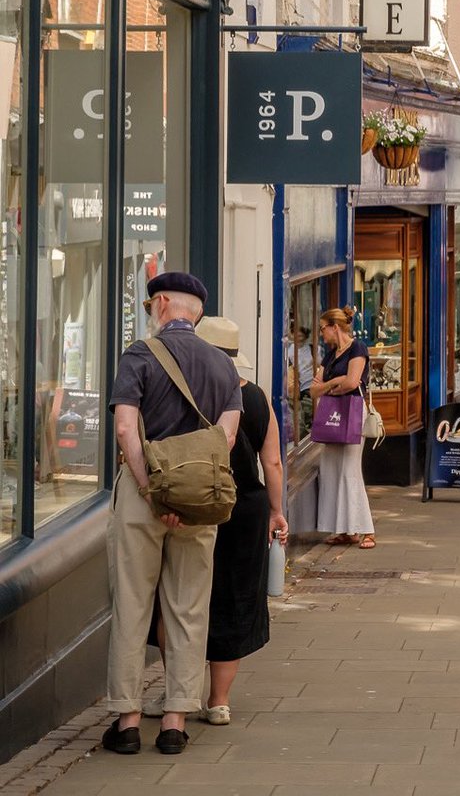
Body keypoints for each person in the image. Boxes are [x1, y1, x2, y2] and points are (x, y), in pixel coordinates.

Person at [103, 273, 242, 757]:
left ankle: (127, 720)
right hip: (199, 501)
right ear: (195, 312)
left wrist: (151, 490)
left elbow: (125, 431)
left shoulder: (139, 355)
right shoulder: (223, 366)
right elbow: (224, 439)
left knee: (133, 605)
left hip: (143, 499)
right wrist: (186, 493)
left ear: (161, 304)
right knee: (188, 608)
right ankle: (176, 720)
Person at [194, 317, 288, 725]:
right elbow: (272, 463)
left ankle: (178, 689)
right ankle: (219, 701)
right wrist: (277, 511)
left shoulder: (187, 392)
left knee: (182, 598)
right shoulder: (256, 398)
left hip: (193, 504)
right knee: (232, 600)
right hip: (243, 509)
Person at [312, 306, 376, 549]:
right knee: (330, 470)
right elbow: (314, 389)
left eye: (322, 329)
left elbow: (352, 382)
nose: (321, 334)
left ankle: (367, 529)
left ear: (334, 327)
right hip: (332, 417)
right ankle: (345, 531)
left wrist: (332, 382)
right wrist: (335, 384)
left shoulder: (357, 348)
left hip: (352, 416)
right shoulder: (330, 356)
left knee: (350, 470)